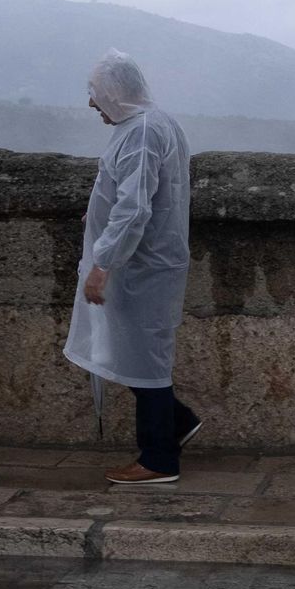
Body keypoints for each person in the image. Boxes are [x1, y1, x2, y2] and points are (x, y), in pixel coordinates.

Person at [64, 49, 201, 485]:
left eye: (97, 94)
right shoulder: (153, 124)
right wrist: (98, 213)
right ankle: (178, 423)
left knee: (144, 359)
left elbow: (134, 205)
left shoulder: (141, 132)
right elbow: (133, 191)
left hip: (141, 266)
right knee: (137, 353)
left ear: (117, 93)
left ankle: (159, 459)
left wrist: (103, 263)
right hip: (148, 261)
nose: (92, 104)